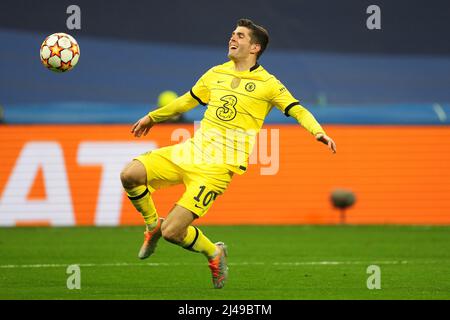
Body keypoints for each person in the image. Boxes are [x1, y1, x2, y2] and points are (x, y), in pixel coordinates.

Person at [120, 18, 336, 289]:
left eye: (240, 36)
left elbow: (297, 109)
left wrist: (318, 132)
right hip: (191, 151)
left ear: (255, 47)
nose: (232, 38)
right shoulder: (215, 73)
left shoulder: (268, 84)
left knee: (173, 232)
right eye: (233, 34)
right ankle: (152, 225)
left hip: (217, 169)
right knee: (130, 174)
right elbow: (187, 100)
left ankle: (214, 252)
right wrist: (153, 117)